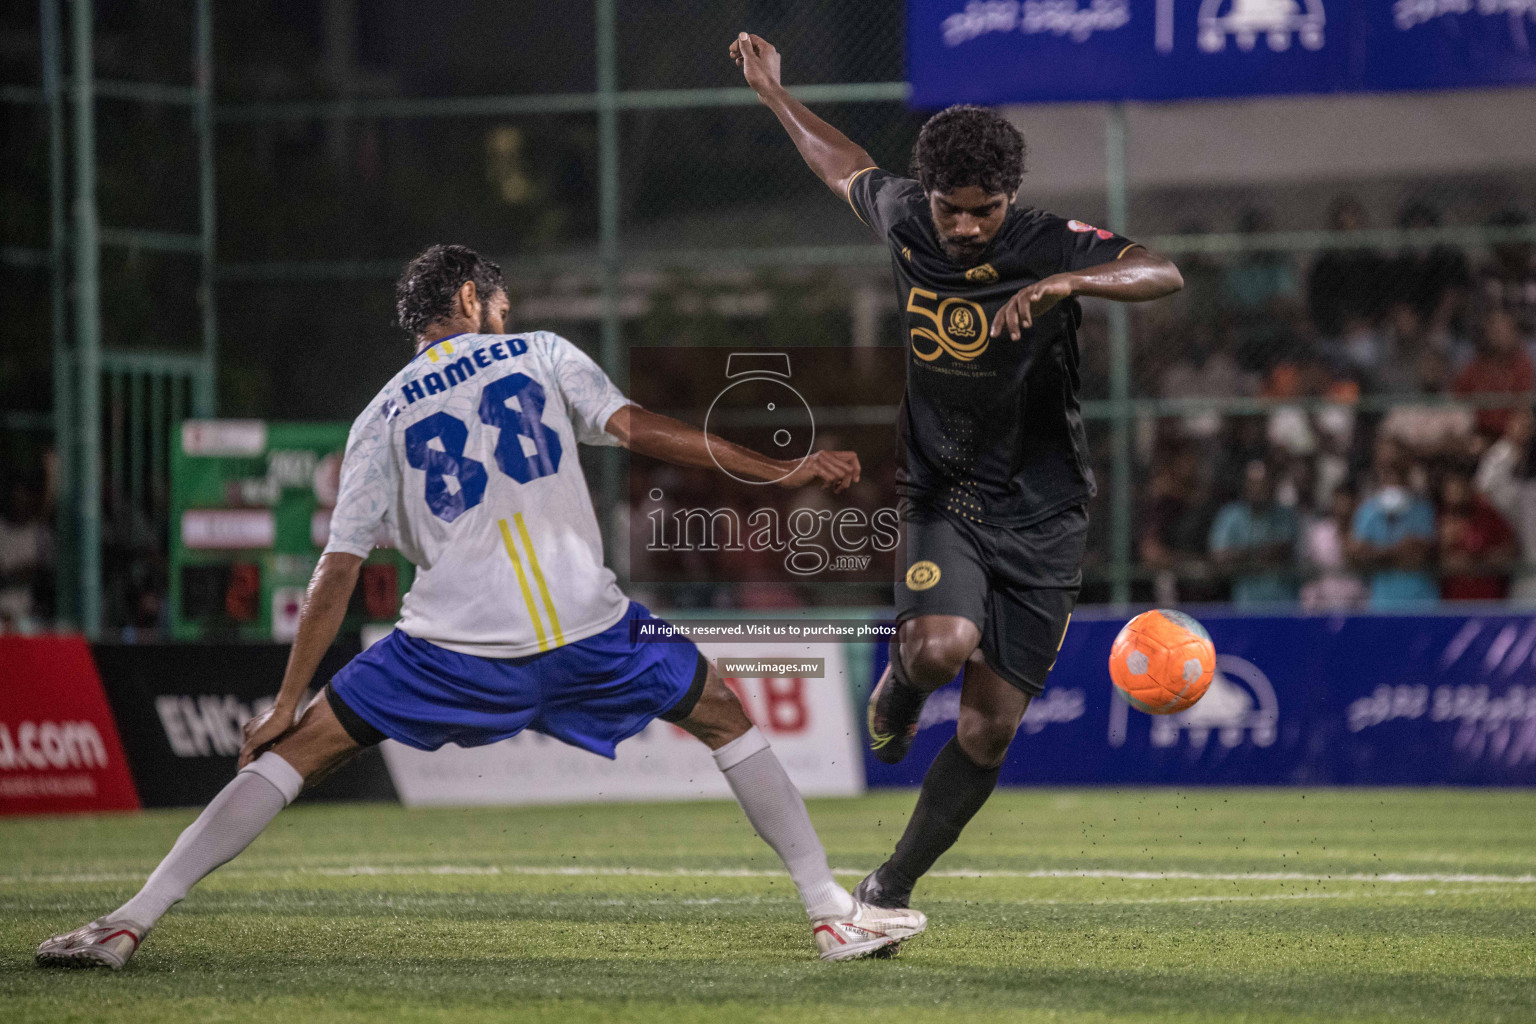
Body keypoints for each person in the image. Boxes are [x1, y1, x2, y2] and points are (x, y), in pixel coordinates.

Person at [36, 245, 925, 970]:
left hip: (447, 646)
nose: (503, 312)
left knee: (299, 750)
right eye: (497, 301)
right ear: (471, 297)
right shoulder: (540, 352)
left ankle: (128, 921)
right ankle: (828, 914)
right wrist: (785, 467)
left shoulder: (377, 417)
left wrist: (283, 702)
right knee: (727, 710)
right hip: (591, 627)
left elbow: (337, 573)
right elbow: (643, 429)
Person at [729, 34, 1183, 912]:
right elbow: (844, 166)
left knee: (991, 726)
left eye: (986, 210)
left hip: (1048, 514)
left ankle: (891, 885)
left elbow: (1161, 270)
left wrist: (1066, 286)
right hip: (944, 494)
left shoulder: (1050, 243)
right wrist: (776, 95)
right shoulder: (903, 216)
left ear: (1009, 197)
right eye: (953, 211)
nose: (968, 226)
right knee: (941, 649)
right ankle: (899, 691)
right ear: (928, 197)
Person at [1349, 442, 1438, 609]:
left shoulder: (1423, 508)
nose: (1391, 469)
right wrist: (1398, 551)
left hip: (1422, 604)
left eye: (1397, 463)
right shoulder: (1367, 511)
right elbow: (1358, 557)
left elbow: (1417, 556)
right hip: (1383, 606)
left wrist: (1377, 552)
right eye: (1386, 464)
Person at [1207, 460, 1300, 607]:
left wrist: (1241, 554)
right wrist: (1258, 552)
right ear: (1245, 485)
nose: (1259, 488)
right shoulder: (1231, 514)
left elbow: (1281, 550)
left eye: (1264, 483)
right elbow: (1219, 556)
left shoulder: (1286, 515)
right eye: (1254, 483)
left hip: (1284, 602)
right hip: (1245, 604)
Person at [1437, 469, 1516, 601]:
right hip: (1454, 598)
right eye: (1452, 489)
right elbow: (1432, 555)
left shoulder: (1487, 514)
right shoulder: (1440, 517)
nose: (1456, 494)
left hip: (1489, 596)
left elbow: (1512, 547)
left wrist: (1485, 560)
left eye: (1460, 488)